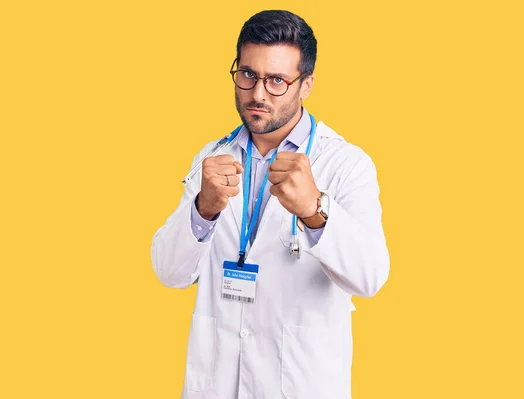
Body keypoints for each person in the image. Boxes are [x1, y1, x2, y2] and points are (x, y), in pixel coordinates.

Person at [151, 9, 390, 399]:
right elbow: (169, 271)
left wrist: (315, 211)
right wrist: (203, 209)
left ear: (306, 84)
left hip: (300, 384)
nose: (258, 93)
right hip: (216, 385)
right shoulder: (211, 158)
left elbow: (370, 278)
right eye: (248, 75)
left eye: (277, 80)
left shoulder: (347, 164)